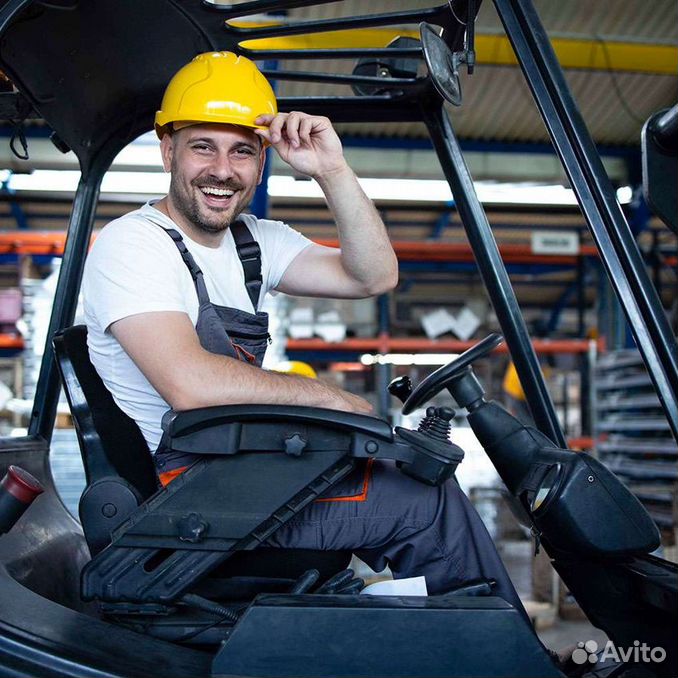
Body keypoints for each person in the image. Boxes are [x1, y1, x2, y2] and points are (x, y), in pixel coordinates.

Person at [82, 51, 525, 611]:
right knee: (424, 504)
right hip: (197, 495)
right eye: (203, 146)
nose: (223, 170)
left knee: (405, 472)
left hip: (241, 467)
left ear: (262, 160)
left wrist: (333, 171)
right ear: (167, 148)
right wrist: (332, 399)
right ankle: (500, 657)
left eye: (243, 150)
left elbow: (374, 275)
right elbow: (189, 382)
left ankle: (460, 640)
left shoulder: (253, 241)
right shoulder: (135, 244)